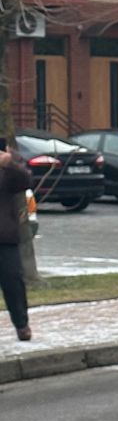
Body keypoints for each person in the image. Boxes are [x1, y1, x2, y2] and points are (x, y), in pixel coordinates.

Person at [0, 135, 33, 341]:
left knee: (13, 281)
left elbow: (25, 181)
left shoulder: (8, 162)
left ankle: (21, 323)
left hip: (4, 236)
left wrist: (9, 164)